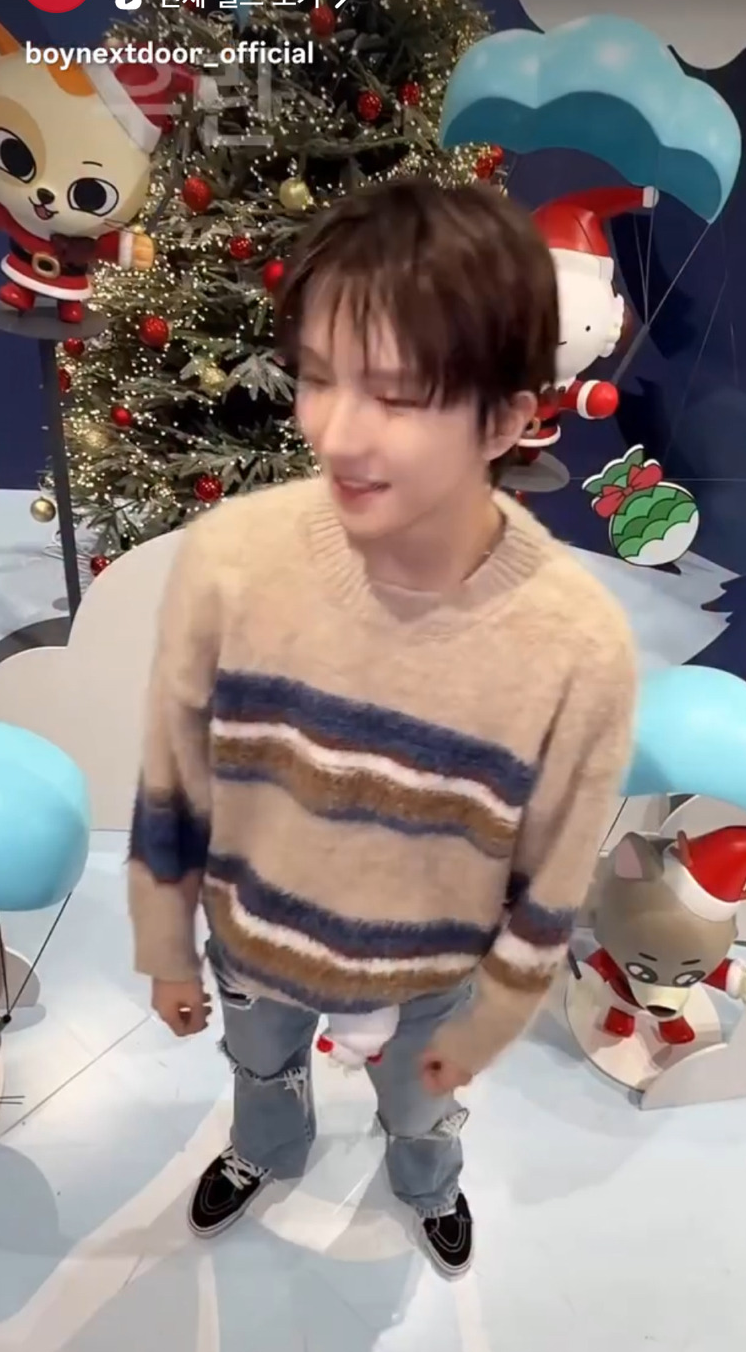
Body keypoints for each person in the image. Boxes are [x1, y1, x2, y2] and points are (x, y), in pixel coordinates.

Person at [129, 178, 637, 1276]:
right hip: (253, 939)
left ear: (507, 416)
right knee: (258, 1067)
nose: (335, 429)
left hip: (431, 971)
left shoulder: (575, 641)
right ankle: (267, 1147)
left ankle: (427, 1182)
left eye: (397, 394)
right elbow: (176, 774)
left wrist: (491, 1021)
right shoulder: (231, 563)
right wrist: (166, 945)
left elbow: (553, 870)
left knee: (421, 1110)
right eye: (319, 377)